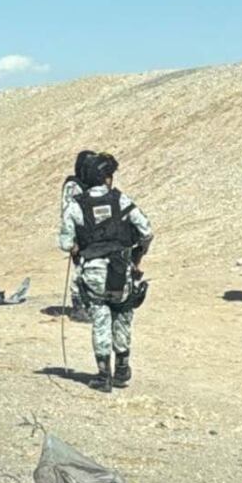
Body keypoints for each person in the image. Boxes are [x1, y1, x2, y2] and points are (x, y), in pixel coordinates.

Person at [58, 153, 153, 393]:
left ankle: (103, 376)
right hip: (121, 270)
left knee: (101, 320)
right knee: (122, 315)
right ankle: (122, 370)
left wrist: (81, 250)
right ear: (107, 178)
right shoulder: (120, 200)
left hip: (93, 272)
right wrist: (137, 258)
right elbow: (146, 231)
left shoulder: (76, 205)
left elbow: (66, 242)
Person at [60, 151, 96, 323]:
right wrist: (72, 240)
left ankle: (90, 304)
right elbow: (68, 211)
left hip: (92, 235)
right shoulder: (73, 186)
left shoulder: (90, 184)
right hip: (79, 236)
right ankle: (78, 307)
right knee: (80, 271)